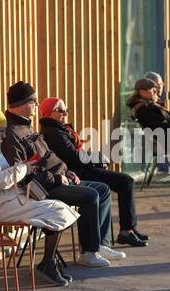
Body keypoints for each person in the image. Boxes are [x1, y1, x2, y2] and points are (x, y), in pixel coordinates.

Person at [1, 81, 126, 268]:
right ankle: (88, 253)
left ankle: (99, 244)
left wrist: (67, 171)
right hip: (41, 189)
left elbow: (49, 156)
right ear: (24, 103)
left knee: (103, 189)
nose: (37, 105)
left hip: (58, 179)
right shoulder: (12, 133)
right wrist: (59, 178)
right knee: (90, 195)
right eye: (34, 101)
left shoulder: (26, 126)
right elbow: (24, 173)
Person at [0, 104, 80, 287]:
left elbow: (1, 177)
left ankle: (48, 263)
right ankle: (47, 264)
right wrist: (25, 167)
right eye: (2, 131)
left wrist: (26, 167)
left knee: (56, 208)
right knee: (57, 210)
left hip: (6, 201)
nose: (5, 135)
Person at [39, 97, 149, 247]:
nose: (65, 114)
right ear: (49, 113)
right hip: (77, 172)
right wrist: (97, 159)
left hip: (81, 168)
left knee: (124, 181)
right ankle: (121, 234)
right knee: (125, 182)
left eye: (66, 110)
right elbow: (75, 157)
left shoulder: (59, 129)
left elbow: (77, 154)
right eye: (61, 111)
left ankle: (126, 230)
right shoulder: (53, 132)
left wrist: (95, 158)